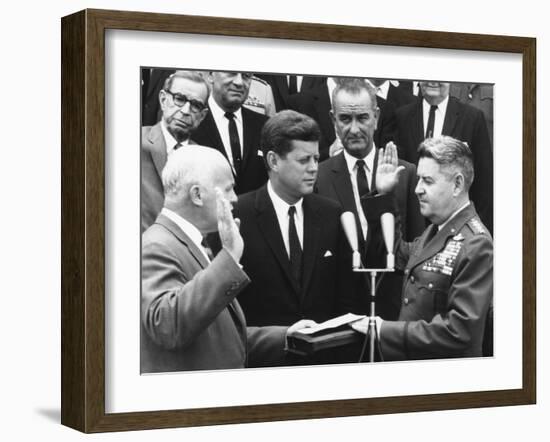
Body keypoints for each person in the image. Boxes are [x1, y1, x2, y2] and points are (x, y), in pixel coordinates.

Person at [141, 146, 315, 373]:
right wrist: (230, 256)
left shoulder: (189, 242)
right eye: (228, 189)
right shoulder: (157, 244)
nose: (234, 198)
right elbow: (167, 326)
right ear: (197, 195)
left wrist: (285, 335)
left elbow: (220, 337)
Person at [352, 137, 493, 360]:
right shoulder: (436, 231)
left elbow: (459, 331)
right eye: (419, 180)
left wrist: (384, 330)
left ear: (457, 184)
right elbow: (394, 255)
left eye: (427, 181)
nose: (417, 189)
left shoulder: (476, 243)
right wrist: (383, 195)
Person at [234, 110, 356, 330]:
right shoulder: (240, 216)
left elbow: (347, 295)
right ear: (273, 161)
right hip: (263, 357)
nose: (313, 168)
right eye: (303, 160)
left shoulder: (331, 214)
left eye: (316, 159)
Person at [316, 79, 424, 319]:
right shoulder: (319, 178)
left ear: (376, 116)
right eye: (345, 119)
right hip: (340, 312)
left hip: (394, 309)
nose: (354, 129)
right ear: (333, 120)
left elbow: (416, 250)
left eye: (362, 118)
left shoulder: (406, 174)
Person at [394, 81, 493, 232]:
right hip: (412, 230)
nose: (433, 80)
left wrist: (478, 232)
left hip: (456, 230)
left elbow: (484, 185)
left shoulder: (472, 118)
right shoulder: (402, 117)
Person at [141, 70, 210, 233]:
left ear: (202, 116)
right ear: (163, 100)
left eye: (196, 105)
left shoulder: (204, 161)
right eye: (179, 99)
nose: (186, 110)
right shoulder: (133, 142)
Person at [192, 71, 269, 195]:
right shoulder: (192, 122)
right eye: (231, 73)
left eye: (246, 76)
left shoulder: (265, 126)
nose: (239, 82)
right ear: (211, 75)